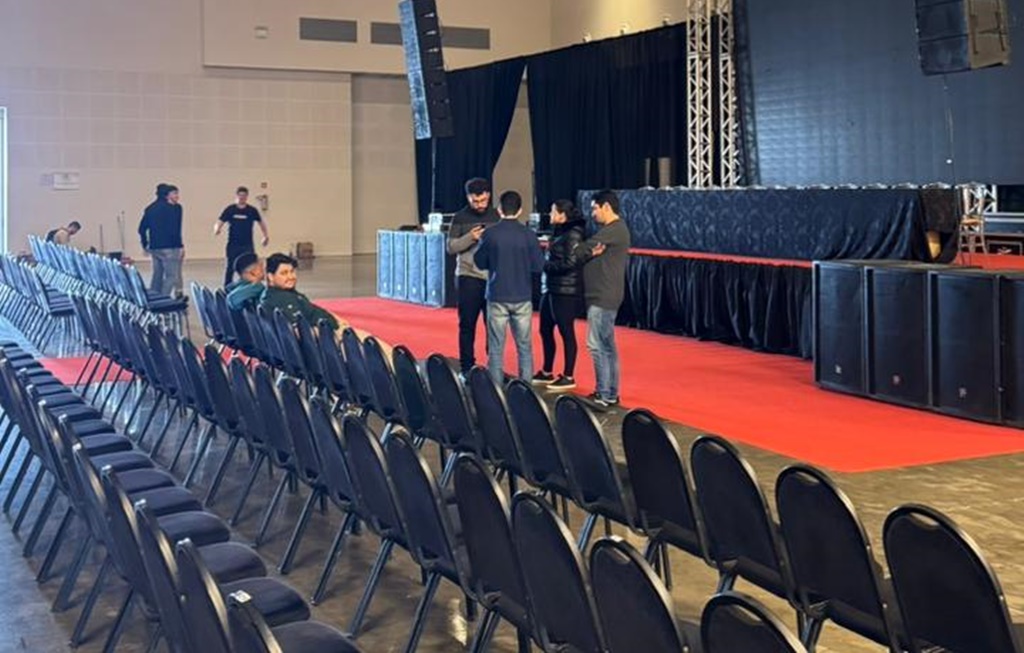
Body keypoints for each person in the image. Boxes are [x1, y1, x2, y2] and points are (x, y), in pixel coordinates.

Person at [473, 190, 544, 384]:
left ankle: (496, 392)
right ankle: (526, 390)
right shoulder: (529, 235)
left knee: (496, 348)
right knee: (524, 347)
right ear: (520, 210)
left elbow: (479, 262)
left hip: (497, 294)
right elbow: (538, 265)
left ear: (499, 209)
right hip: (522, 295)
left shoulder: (490, 234)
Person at [447, 177, 500, 375]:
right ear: (468, 197)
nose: (479, 205)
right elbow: (451, 247)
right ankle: (466, 367)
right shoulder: (459, 217)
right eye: (475, 201)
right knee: (467, 325)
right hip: (468, 276)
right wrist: (471, 237)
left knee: (493, 326)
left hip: (492, 277)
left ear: (489, 196)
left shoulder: (496, 215)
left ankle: (494, 367)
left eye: (483, 200)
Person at [580, 189, 628, 407]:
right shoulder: (616, 230)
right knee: (607, 345)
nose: (593, 214)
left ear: (606, 207)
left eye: (595, 209)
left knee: (596, 345)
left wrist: (586, 251)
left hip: (603, 295)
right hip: (606, 294)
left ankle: (603, 393)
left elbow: (581, 250)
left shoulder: (613, 230)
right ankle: (610, 393)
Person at [534, 200, 587, 391]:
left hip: (566, 290)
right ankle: (547, 370)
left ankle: (568, 375)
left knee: (566, 331)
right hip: (551, 288)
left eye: (553, 211)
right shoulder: (559, 232)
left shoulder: (573, 234)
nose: (550, 214)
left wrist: (545, 266)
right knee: (545, 329)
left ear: (562, 214)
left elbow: (570, 263)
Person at [259, 252, 339, 330]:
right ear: (271, 277)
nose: (290, 277)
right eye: (284, 273)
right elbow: (298, 332)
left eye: (292, 271)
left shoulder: (288, 293)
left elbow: (313, 310)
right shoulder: (281, 300)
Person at [214, 186, 268, 287]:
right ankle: (227, 288)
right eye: (240, 195)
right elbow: (220, 221)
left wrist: (265, 236)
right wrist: (217, 228)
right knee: (230, 267)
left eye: (244, 196)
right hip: (233, 244)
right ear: (237, 196)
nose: (242, 197)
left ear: (247, 197)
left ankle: (249, 287)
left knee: (250, 267)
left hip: (247, 245)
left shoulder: (252, 210)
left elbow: (261, 223)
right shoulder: (230, 210)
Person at [138, 183, 184, 297]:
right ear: (167, 195)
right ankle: (164, 297)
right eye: (175, 193)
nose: (177, 196)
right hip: (170, 247)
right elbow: (175, 229)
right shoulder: (175, 208)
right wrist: (180, 246)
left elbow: (141, 228)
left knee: (157, 275)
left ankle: (154, 297)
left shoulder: (150, 208)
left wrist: (144, 244)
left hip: (155, 247)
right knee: (171, 276)